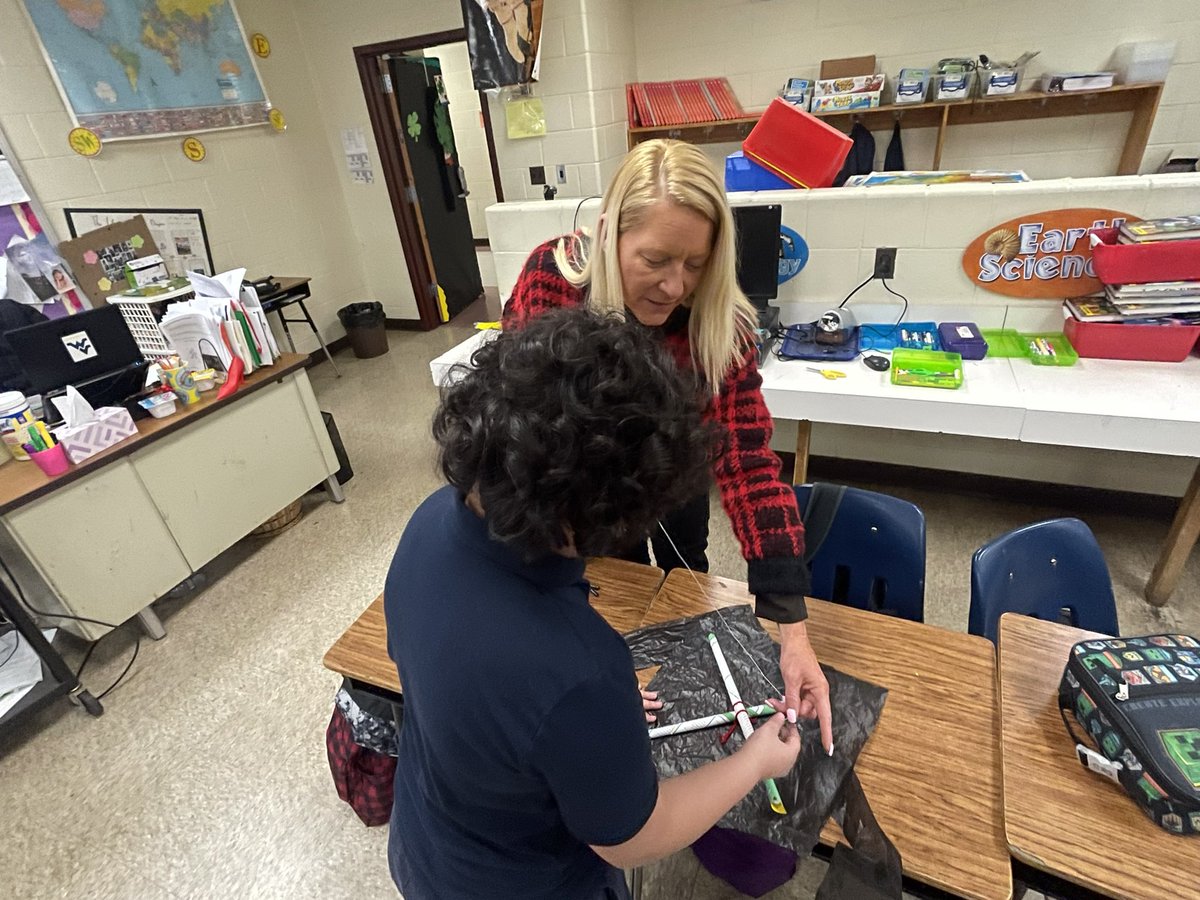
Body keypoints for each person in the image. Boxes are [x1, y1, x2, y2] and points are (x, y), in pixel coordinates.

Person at [384, 310, 801, 900]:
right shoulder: (578, 669)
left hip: (426, 847)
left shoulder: (430, 522)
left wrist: (569, 727)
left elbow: (464, 690)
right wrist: (753, 763)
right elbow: (631, 839)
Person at [503, 138, 832, 752]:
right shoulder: (554, 279)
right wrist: (583, 642)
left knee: (686, 567)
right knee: (613, 583)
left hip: (671, 474)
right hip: (577, 492)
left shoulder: (720, 323)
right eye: (654, 259)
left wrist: (791, 625)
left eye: (696, 263)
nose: (674, 285)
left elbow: (748, 461)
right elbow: (525, 450)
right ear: (607, 235)